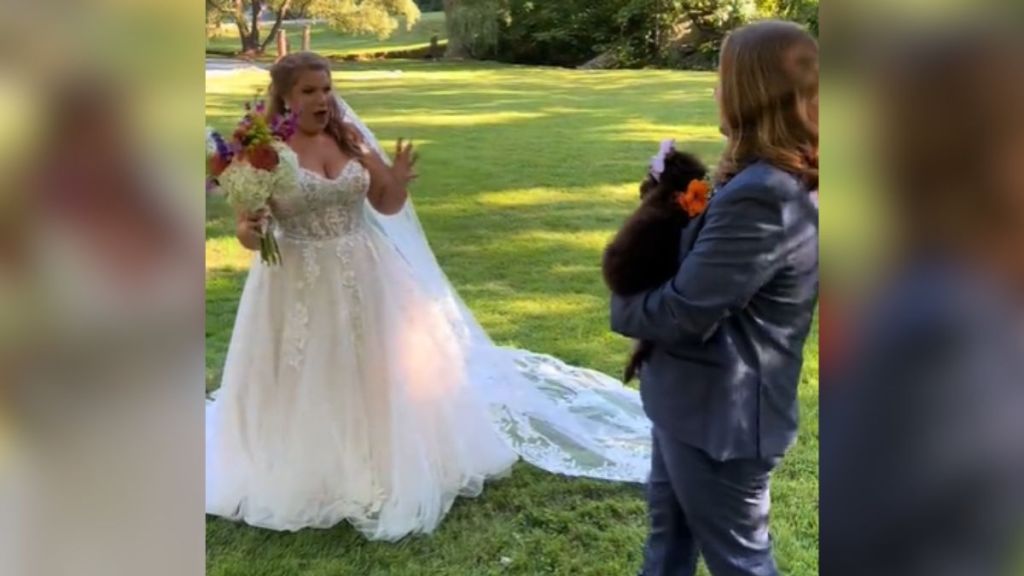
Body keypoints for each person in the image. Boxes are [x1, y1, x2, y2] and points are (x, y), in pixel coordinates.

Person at [205, 52, 655, 541]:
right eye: (310, 91)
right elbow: (249, 235)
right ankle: (311, 464)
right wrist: (251, 226)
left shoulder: (347, 137)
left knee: (381, 366)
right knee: (312, 366)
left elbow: (386, 203)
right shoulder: (264, 151)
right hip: (297, 276)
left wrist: (395, 179)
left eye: (327, 88)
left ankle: (387, 454)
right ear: (286, 97)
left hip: (367, 269)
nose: (322, 99)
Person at [610, 20, 819, 576]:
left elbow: (686, 311)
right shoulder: (760, 175)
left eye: (721, 78)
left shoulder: (765, 194)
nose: (714, 90)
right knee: (669, 542)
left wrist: (624, 306)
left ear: (749, 91)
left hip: (719, 419)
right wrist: (664, 210)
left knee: (740, 563)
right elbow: (711, 269)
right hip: (691, 403)